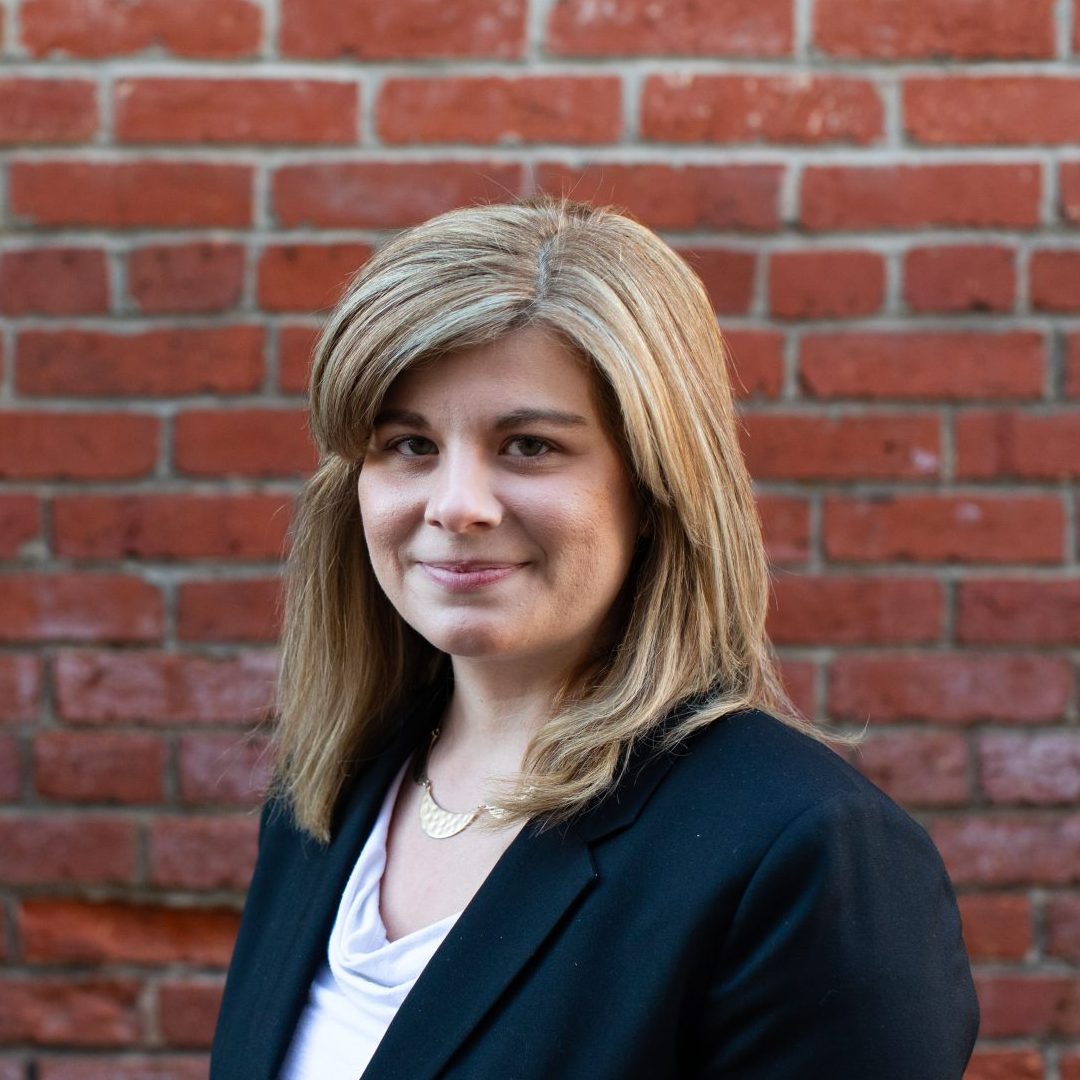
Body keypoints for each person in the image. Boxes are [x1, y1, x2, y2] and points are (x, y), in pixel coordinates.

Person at [211, 195, 979, 1079]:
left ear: (654, 491)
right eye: (409, 445)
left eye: (529, 445)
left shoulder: (805, 855)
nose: (456, 504)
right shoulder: (324, 797)